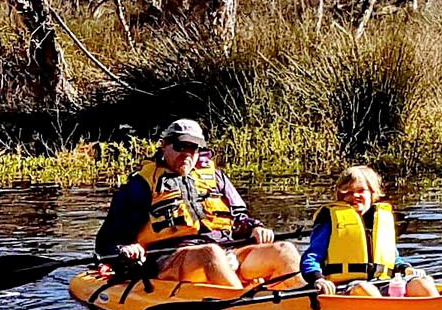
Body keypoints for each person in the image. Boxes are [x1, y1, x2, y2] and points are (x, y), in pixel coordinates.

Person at [95, 119, 302, 287]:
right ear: (165, 146)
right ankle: (242, 304)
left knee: (285, 249)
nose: (187, 153)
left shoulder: (216, 178)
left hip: (227, 253)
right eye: (180, 146)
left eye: (193, 148)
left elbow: (239, 219)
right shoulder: (141, 185)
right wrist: (126, 249)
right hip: (171, 259)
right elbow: (106, 242)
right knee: (210, 253)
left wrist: (254, 227)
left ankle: (309, 299)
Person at [301, 165, 437, 297]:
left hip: (383, 282)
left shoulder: (382, 219)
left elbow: (393, 259)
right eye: (348, 192)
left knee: (423, 283)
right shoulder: (329, 221)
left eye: (361, 190)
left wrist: (406, 268)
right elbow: (311, 257)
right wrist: (318, 279)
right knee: (365, 289)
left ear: (373, 193)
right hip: (347, 287)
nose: (355, 195)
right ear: (340, 195)